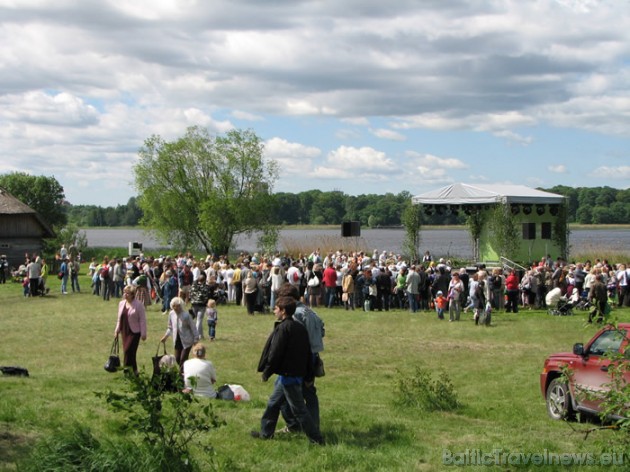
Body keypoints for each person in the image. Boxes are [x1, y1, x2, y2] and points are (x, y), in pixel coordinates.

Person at [251, 296, 324, 445]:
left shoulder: (284, 328)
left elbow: (275, 353)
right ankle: (266, 434)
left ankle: (317, 439)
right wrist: (309, 374)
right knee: (273, 403)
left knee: (299, 410)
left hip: (289, 375)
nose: (274, 311)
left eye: (276, 309)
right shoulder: (300, 328)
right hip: (293, 374)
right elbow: (307, 353)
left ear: (283, 311)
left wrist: (267, 372)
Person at [276, 283, 325, 433]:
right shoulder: (310, 311)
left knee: (282, 394)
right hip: (312, 356)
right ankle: (312, 425)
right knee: (309, 393)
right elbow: (322, 330)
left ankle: (295, 426)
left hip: (301, 358)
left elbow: (294, 338)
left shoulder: (296, 314)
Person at [114, 285, 147, 375]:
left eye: (127, 293)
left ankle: (127, 371)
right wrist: (116, 330)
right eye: (124, 292)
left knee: (127, 351)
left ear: (133, 295)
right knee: (130, 353)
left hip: (134, 332)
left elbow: (142, 320)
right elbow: (119, 318)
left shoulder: (139, 305)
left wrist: (143, 333)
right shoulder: (121, 304)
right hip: (124, 330)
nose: (125, 294)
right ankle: (135, 371)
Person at [160, 297, 200, 370]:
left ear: (181, 305)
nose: (176, 308)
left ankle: (181, 376)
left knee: (182, 359)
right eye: (174, 306)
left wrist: (196, 339)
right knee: (177, 359)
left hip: (187, 340)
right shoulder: (171, 314)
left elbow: (193, 327)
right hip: (177, 340)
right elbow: (170, 327)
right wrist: (165, 337)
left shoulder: (186, 315)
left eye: (178, 306)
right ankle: (188, 369)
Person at [190, 272, 212, 338]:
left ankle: (201, 335)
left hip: (194, 304)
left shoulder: (193, 285)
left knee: (198, 320)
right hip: (201, 305)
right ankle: (196, 335)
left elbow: (190, 294)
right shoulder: (205, 287)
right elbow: (207, 296)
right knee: (199, 320)